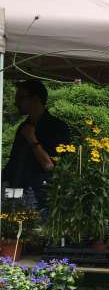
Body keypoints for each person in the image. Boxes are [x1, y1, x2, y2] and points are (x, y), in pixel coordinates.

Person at [3, 80, 71, 212]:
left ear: (35, 99)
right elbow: (14, 163)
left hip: (40, 200)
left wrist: (32, 140)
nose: (16, 102)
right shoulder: (24, 127)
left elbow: (50, 166)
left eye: (21, 98)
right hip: (15, 195)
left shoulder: (57, 127)